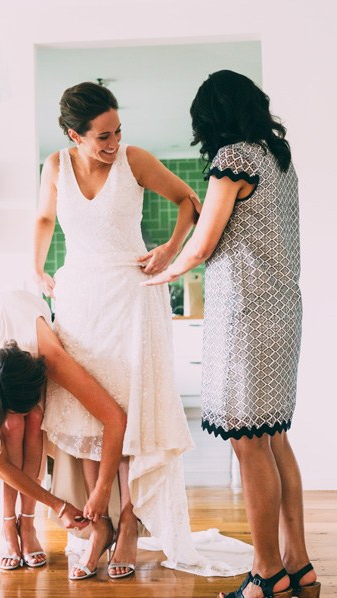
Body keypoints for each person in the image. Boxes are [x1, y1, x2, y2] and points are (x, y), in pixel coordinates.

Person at [35, 81, 249, 580]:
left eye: (117, 132)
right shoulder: (54, 167)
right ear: (75, 135)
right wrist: (37, 268)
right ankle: (99, 523)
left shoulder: (135, 159)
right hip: (80, 299)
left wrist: (171, 248)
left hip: (133, 294)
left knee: (134, 415)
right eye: (102, 137)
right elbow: (45, 218)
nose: (112, 144)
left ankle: (130, 522)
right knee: (87, 415)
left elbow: (188, 201)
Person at [144, 70, 319, 598]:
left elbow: (201, 246)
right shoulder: (278, 159)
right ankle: (299, 565)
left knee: (248, 445)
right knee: (273, 438)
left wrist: (159, 271)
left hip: (245, 314)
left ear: (213, 116)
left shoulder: (234, 159)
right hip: (282, 309)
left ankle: (266, 574)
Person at [0, 290, 127, 572]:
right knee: (13, 425)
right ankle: (9, 527)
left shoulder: (52, 359)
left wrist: (102, 489)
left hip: (24, 315)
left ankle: (28, 524)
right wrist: (59, 505)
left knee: (32, 419)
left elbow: (115, 419)